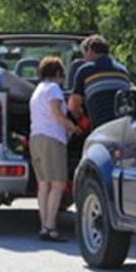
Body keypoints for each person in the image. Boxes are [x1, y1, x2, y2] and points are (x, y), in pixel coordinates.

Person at [30, 56, 80, 242]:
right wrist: (73, 127)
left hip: (36, 138)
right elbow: (56, 115)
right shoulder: (53, 89)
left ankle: (44, 225)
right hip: (52, 138)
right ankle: (51, 227)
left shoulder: (38, 90)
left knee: (43, 184)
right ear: (58, 73)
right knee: (58, 183)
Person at [68, 35, 132, 131]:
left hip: (101, 128)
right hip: (124, 127)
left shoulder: (85, 70)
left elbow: (73, 106)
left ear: (89, 50)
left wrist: (82, 121)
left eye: (84, 54)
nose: (84, 58)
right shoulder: (123, 71)